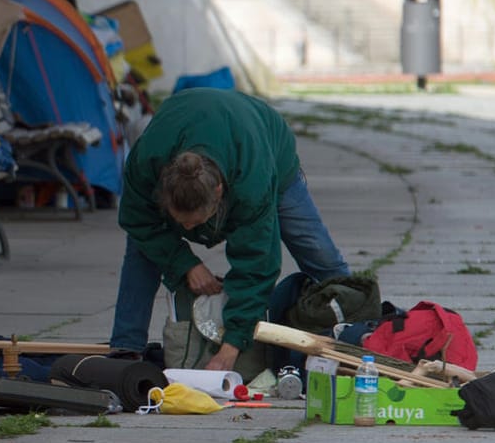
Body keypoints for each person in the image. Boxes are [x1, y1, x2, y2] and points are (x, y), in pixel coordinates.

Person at [107, 88, 350, 371]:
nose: (186, 229)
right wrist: (184, 262)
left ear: (219, 193)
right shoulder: (147, 161)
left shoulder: (252, 185)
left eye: (194, 223)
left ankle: (360, 327)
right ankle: (126, 348)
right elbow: (138, 221)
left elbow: (256, 266)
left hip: (266, 147)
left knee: (317, 251)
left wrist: (230, 348)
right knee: (142, 248)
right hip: (189, 122)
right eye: (179, 221)